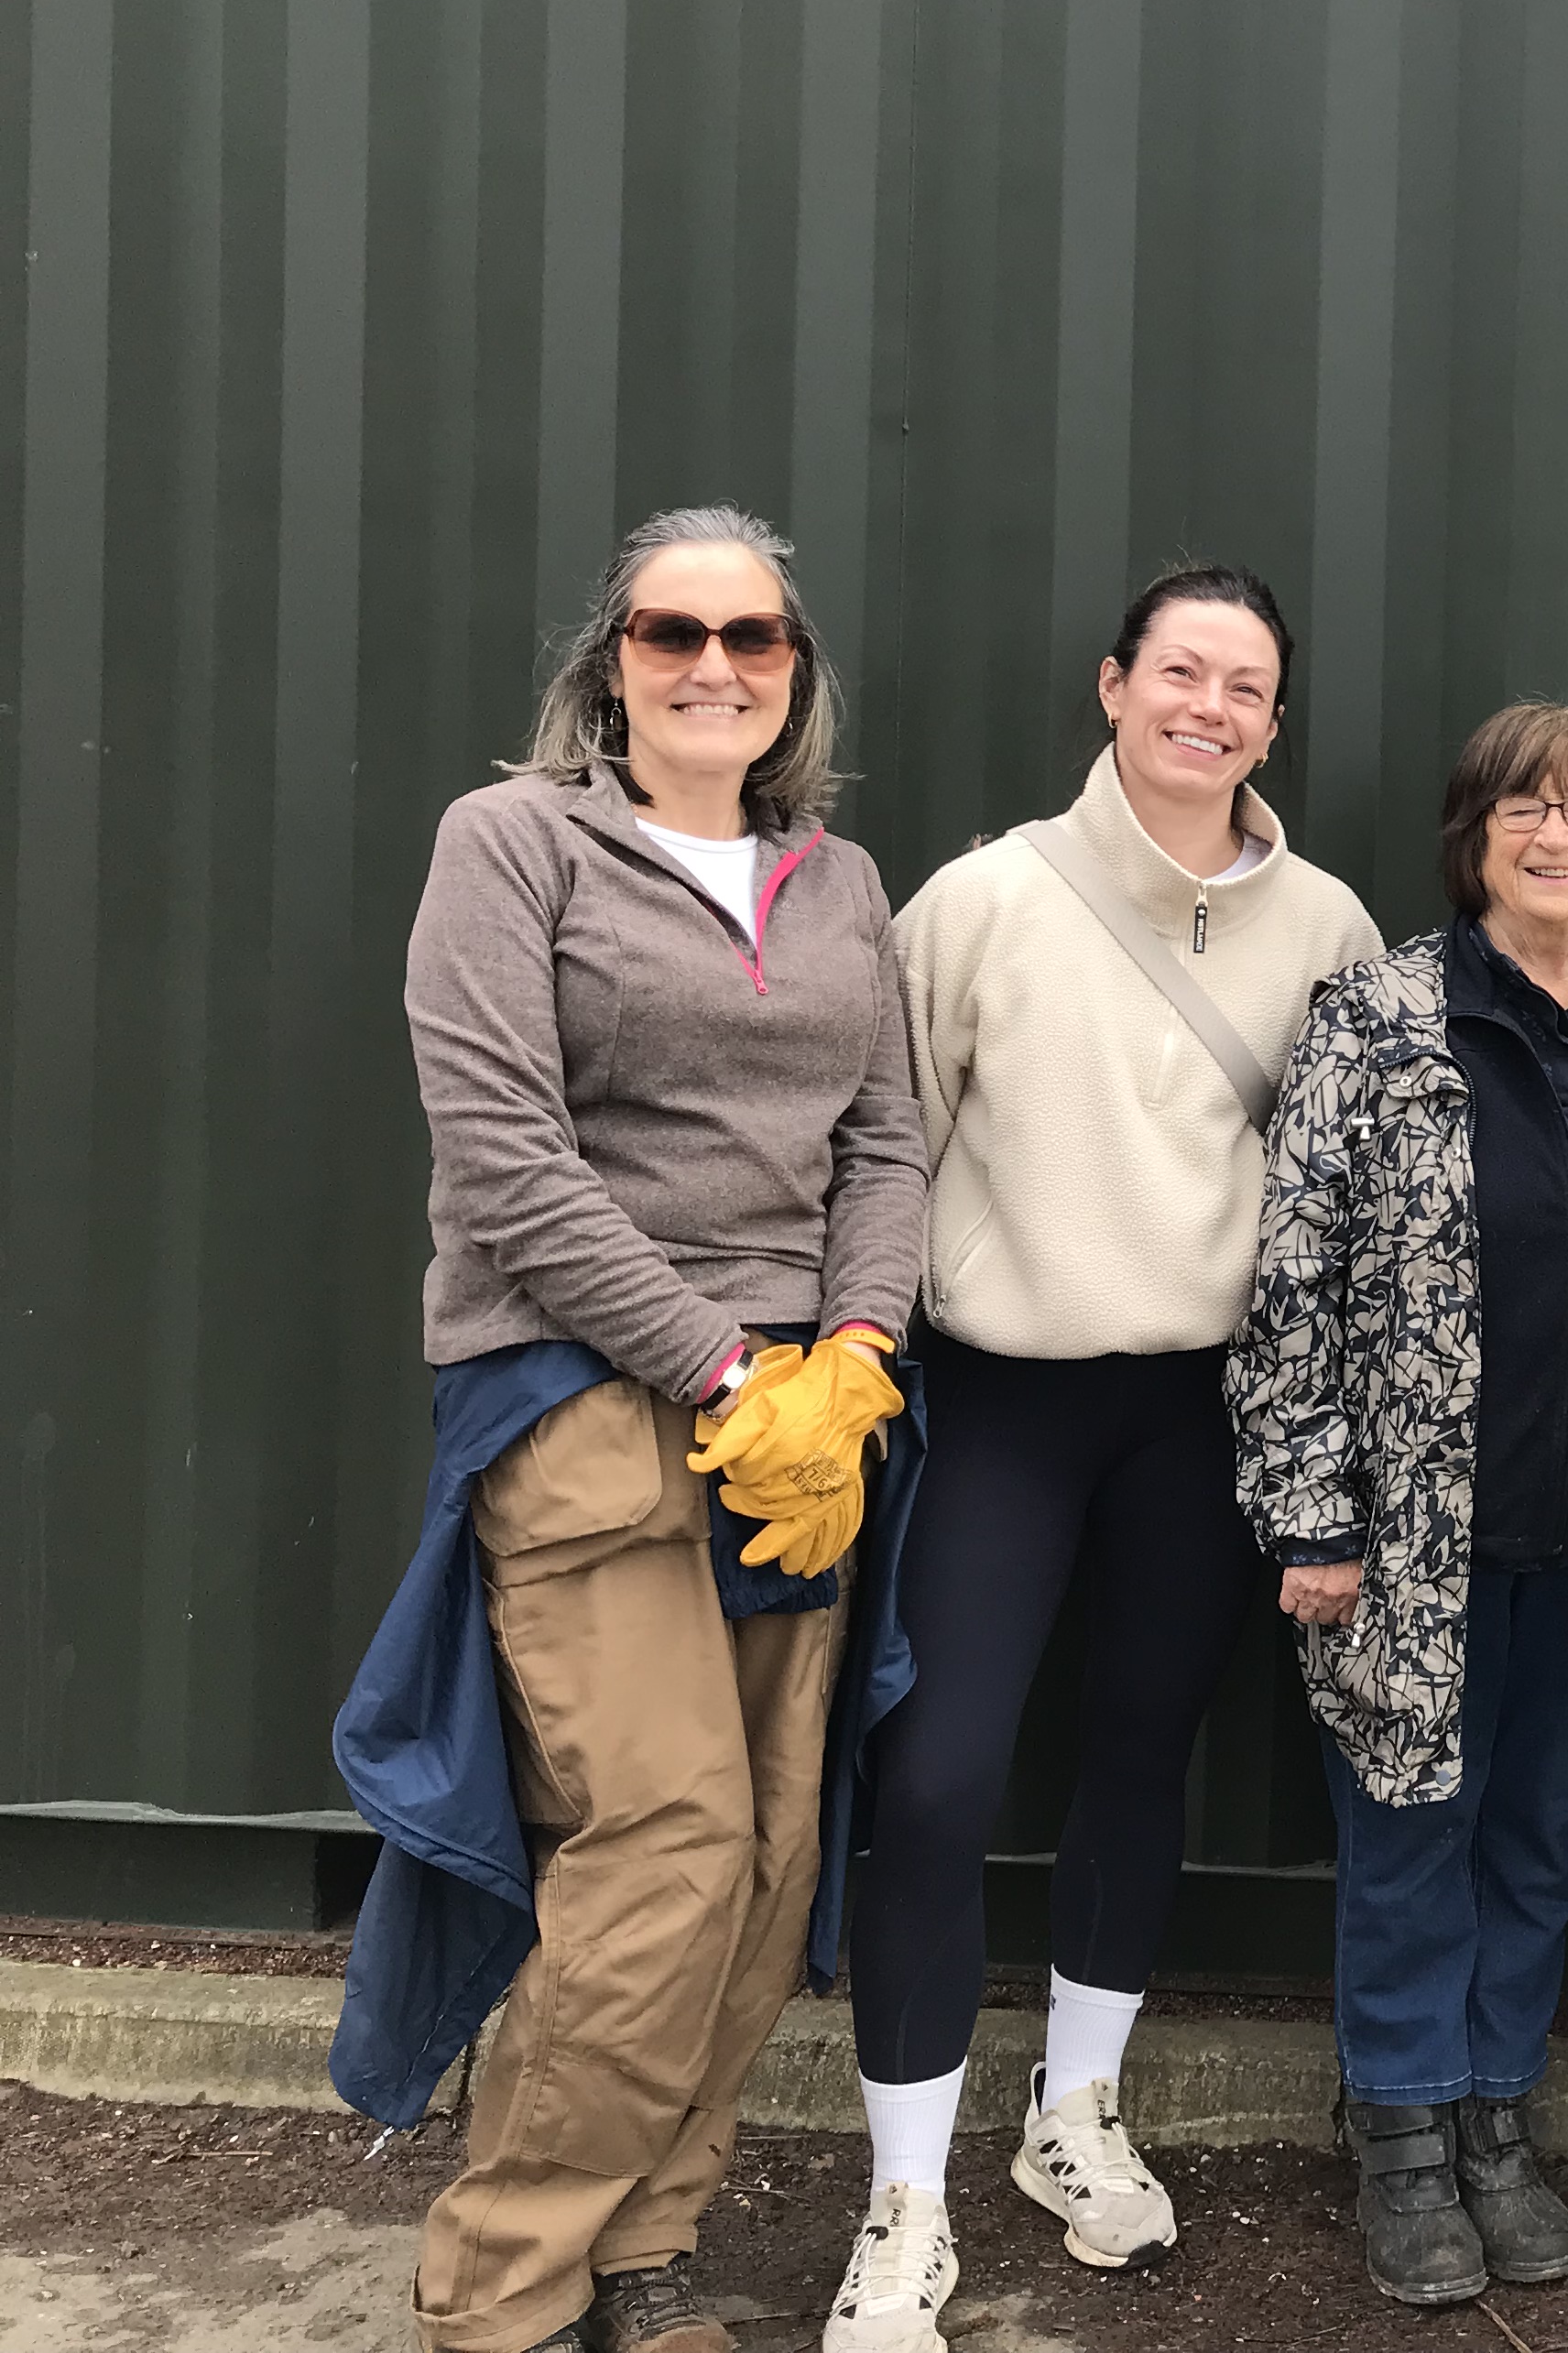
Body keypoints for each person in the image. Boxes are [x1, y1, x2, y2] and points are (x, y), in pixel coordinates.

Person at [335, 505, 930, 2353]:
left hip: (808, 1424)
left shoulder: (838, 881)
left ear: (794, 675)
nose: (713, 669)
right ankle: (504, 2294)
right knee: (661, 1845)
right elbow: (506, 1161)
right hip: (585, 1397)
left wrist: (852, 1351)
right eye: (674, 634)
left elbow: (886, 1144)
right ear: (612, 661)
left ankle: (640, 2251)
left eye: (753, 640)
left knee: (763, 1866)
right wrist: (723, 1371)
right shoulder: (510, 844)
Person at [824, 566, 1378, 2353]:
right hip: (1001, 1402)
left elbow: (1352, 1204)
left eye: (1248, 687)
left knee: (1142, 1759)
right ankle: (903, 2200)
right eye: (1181, 673)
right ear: (1114, 688)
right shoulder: (982, 903)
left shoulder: (1329, 930)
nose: (1210, 708)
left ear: (1274, 725)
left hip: (1204, 1418)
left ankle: (1076, 2117)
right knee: (934, 1781)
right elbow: (882, 1149)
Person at [1235, 703, 1568, 2307]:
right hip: (1409, 1533)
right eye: (1524, 805)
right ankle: (1402, 2133)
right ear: (1475, 834)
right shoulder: (1378, 1014)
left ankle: (1498, 2120)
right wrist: (1313, 1511)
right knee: (1406, 1833)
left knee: (1536, 1839)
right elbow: (1292, 1272)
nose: (1557, 833)